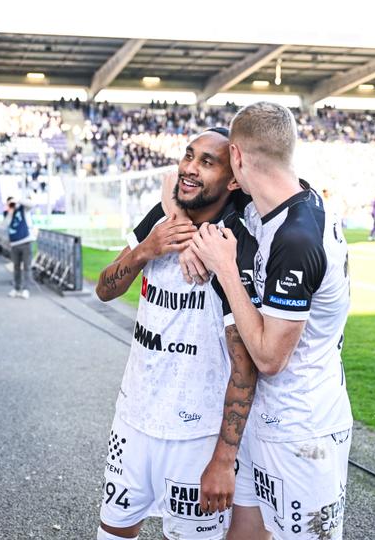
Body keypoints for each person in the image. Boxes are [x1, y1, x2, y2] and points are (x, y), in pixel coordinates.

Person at [188, 102, 352, 540]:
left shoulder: (296, 238)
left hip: (304, 434)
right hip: (266, 422)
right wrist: (202, 241)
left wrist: (224, 267)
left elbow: (269, 357)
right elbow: (204, 202)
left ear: (237, 158)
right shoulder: (282, 205)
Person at [94, 128, 257, 540]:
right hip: (133, 419)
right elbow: (105, 289)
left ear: (234, 178)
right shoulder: (160, 218)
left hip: (195, 435)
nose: (189, 168)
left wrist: (223, 459)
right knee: (111, 533)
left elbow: (245, 364)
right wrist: (147, 248)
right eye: (188, 156)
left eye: (207, 162)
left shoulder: (232, 244)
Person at [4, 196, 34, 299]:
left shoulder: (24, 209)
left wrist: (18, 200)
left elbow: (31, 204)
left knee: (27, 267)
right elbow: (5, 225)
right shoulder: (8, 213)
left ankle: (26, 289)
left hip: (26, 241)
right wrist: (10, 212)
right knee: (16, 268)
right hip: (14, 244)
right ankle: (16, 288)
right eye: (9, 203)